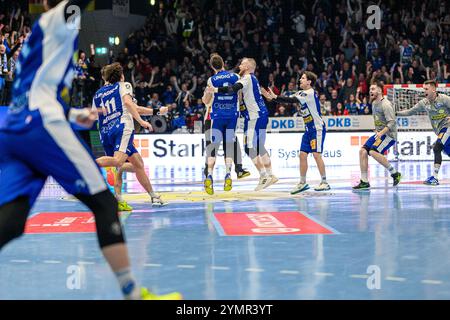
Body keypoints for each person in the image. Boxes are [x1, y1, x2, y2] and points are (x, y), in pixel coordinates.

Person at [0, 0, 180, 300]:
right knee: (105, 205)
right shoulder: (65, 15)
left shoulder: (37, 37)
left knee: (14, 218)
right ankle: (133, 295)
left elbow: (32, 92)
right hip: (42, 126)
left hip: (16, 126)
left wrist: (74, 116)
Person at [94, 63, 167, 207]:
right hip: (122, 127)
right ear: (121, 75)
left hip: (105, 131)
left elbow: (97, 115)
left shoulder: (98, 94)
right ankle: (84, 166)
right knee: (118, 161)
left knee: (136, 164)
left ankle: (152, 196)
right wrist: (142, 121)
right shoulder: (123, 85)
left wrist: (157, 111)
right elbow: (129, 103)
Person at [207, 58, 278, 191]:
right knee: (258, 146)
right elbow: (260, 88)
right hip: (261, 114)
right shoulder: (251, 78)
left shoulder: (246, 78)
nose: (239, 65)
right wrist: (267, 95)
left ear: (247, 66)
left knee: (248, 147)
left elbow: (233, 88)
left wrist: (215, 90)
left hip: (254, 116)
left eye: (242, 64)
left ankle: (264, 176)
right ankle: (270, 175)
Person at [262, 71, 331, 193]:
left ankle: (324, 182)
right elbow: (288, 99)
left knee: (316, 155)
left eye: (303, 78)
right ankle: (302, 182)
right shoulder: (301, 92)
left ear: (309, 82)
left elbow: (291, 100)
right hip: (308, 129)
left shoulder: (309, 93)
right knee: (302, 155)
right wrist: (272, 97)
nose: (300, 80)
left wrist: (275, 97)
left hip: (317, 129)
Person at [396, 80, 450, 185]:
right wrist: (395, 113)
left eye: (426, 89)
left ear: (433, 89)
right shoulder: (424, 103)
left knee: (437, 147)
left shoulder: (444, 99)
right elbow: (410, 111)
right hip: (440, 131)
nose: (424, 91)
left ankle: (434, 178)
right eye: (423, 89)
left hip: (447, 127)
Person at [201, 54, 240, 194]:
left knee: (213, 148)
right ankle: (228, 173)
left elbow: (206, 101)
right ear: (223, 63)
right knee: (229, 145)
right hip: (232, 115)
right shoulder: (235, 77)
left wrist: (206, 94)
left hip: (217, 115)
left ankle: (210, 175)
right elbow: (239, 94)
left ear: (212, 66)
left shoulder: (212, 80)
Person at [353, 81, 401, 189]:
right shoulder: (374, 103)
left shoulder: (386, 104)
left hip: (389, 135)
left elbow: (392, 123)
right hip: (379, 134)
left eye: (373, 89)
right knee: (362, 151)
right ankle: (364, 181)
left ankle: (395, 173)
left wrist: (380, 133)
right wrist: (376, 130)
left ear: (379, 90)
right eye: (370, 89)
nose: (370, 91)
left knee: (373, 152)